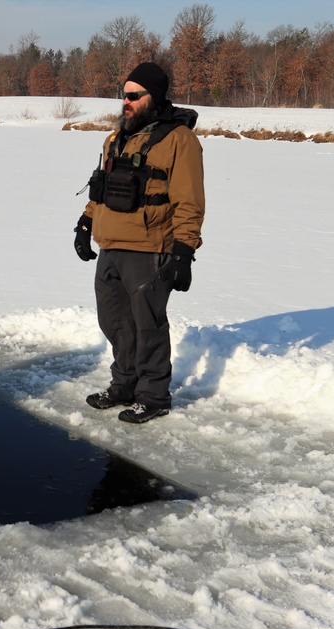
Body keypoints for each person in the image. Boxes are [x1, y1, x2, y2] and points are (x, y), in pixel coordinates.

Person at [74, 62, 205, 424]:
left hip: (150, 248)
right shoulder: (116, 138)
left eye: (134, 95)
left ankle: (153, 395)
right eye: (124, 95)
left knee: (148, 325)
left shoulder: (179, 140)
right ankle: (124, 384)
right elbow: (101, 189)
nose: (126, 102)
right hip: (110, 244)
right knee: (114, 320)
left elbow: (190, 200)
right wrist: (85, 223)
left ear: (154, 97)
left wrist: (184, 251)